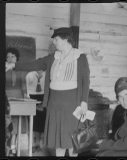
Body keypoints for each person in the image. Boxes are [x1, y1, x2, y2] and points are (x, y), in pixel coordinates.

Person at [6, 27, 90, 157]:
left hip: (72, 102)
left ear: (66, 39)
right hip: (54, 103)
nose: (54, 42)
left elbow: (86, 80)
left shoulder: (80, 57)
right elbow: (35, 64)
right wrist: (14, 66)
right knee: (58, 139)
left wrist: (84, 101)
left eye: (56, 39)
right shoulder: (53, 57)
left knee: (73, 139)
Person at [5, 47, 29, 156]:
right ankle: (8, 148)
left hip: (19, 97)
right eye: (7, 57)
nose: (10, 59)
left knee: (16, 123)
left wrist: (25, 95)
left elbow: (23, 84)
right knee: (7, 123)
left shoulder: (21, 70)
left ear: (17, 58)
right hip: (6, 98)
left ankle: (13, 149)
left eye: (12, 56)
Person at [25, 70, 46, 153]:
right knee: (32, 121)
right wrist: (29, 101)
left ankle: (38, 144)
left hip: (43, 97)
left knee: (40, 122)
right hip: (31, 97)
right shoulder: (30, 74)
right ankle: (33, 145)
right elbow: (26, 88)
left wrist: (44, 102)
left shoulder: (47, 74)